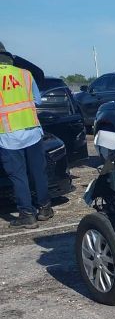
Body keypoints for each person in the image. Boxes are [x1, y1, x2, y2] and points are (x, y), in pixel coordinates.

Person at [0, 42, 52, 229]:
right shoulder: (25, 74)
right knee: (38, 172)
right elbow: (37, 100)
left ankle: (27, 214)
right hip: (32, 132)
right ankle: (45, 208)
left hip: (8, 136)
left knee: (18, 176)